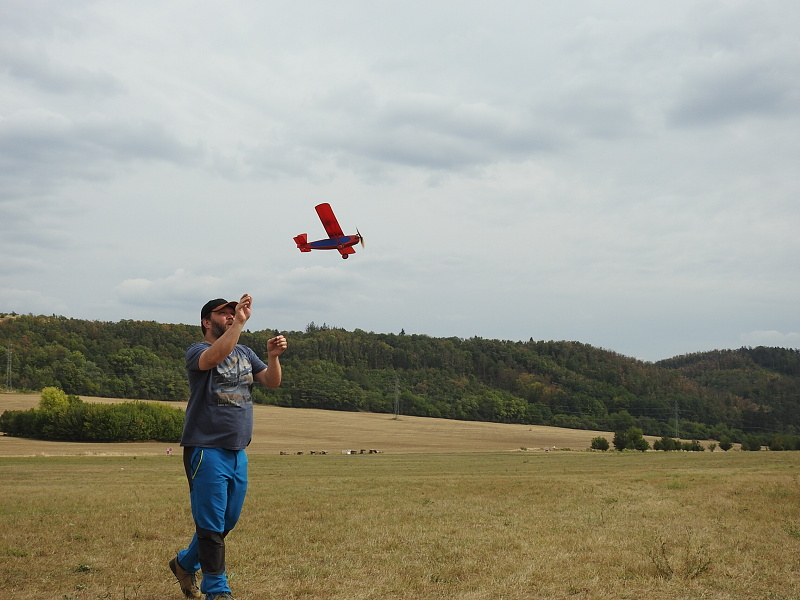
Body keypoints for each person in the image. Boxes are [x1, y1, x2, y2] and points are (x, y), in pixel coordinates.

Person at [169, 294, 287, 600]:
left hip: (238, 451)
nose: (232, 316)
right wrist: (242, 323)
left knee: (226, 521)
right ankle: (217, 590)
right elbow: (213, 360)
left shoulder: (246, 352)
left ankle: (183, 563)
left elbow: (271, 382)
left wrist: (273, 357)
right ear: (207, 322)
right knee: (209, 524)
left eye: (234, 312)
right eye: (224, 314)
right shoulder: (198, 350)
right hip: (205, 449)